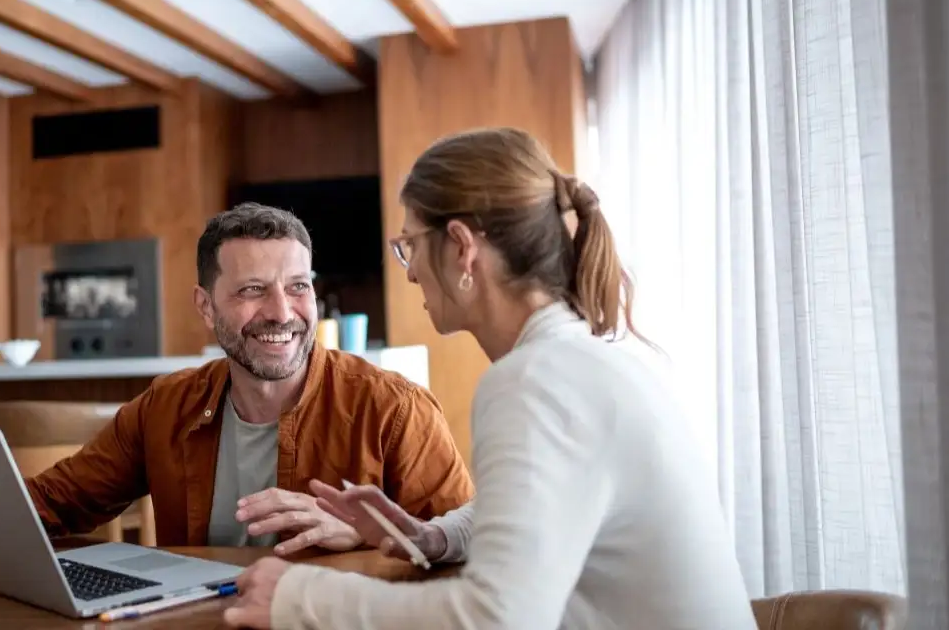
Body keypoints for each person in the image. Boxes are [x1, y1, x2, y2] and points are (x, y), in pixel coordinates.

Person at [223, 129, 756, 629]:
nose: (408, 270)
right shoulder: (584, 362)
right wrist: (431, 536)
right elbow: (546, 511)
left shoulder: (535, 380)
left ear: (460, 246)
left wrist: (297, 596)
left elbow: (496, 619)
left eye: (410, 244)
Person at [0, 203, 473, 575]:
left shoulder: (396, 410)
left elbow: (470, 551)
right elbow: (53, 505)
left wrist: (363, 533)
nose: (283, 311)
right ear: (205, 304)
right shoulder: (166, 407)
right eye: (252, 290)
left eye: (298, 286)